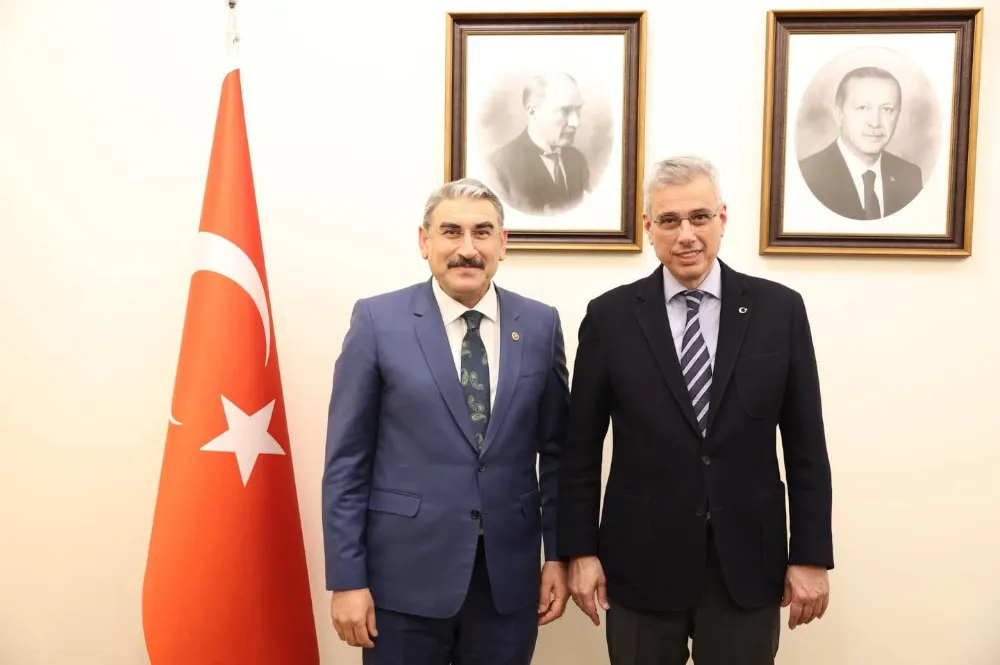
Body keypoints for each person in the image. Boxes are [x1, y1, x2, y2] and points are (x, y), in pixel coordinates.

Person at [556, 156, 834, 665]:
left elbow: (806, 447)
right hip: (638, 564)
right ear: (649, 228)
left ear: (722, 219)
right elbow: (579, 451)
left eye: (700, 217)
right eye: (669, 220)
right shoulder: (609, 317)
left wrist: (811, 556)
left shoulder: (780, 310)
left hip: (746, 564)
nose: (686, 235)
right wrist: (581, 551)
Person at [321, 177, 571, 665]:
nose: (467, 249)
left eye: (483, 232)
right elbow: (347, 462)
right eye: (451, 231)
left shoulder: (540, 325)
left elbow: (557, 454)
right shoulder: (377, 321)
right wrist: (347, 579)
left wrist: (557, 555)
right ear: (425, 241)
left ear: (503, 243)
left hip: (507, 584)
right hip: (402, 583)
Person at [798, 65, 923, 220]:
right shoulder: (808, 176)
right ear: (838, 115)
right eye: (863, 108)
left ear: (898, 116)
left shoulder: (910, 176)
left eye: (887, 109)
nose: (875, 123)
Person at [485, 72, 591, 216]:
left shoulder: (577, 160)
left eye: (578, 109)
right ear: (533, 112)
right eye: (564, 111)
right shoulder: (498, 167)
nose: (576, 122)